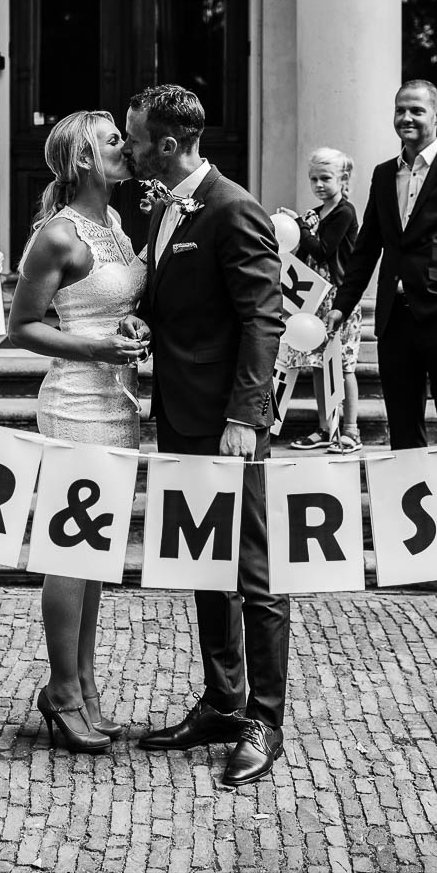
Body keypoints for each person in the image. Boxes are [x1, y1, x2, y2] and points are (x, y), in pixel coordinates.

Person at [117, 84, 287, 788]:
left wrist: (247, 417)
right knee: (203, 564)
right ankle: (222, 700)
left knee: (255, 573)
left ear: (166, 143)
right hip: (181, 418)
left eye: (133, 137)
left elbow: (263, 317)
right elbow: (185, 306)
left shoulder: (232, 208)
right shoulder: (165, 205)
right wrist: (144, 326)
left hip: (227, 426)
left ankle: (265, 719)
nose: (125, 148)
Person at [6, 111, 146, 754]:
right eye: (114, 139)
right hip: (75, 405)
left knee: (97, 559)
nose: (128, 146)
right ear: (85, 160)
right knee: (71, 553)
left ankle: (85, 685)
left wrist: (132, 334)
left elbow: (113, 309)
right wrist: (96, 351)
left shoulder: (114, 225)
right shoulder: (57, 235)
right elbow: (22, 327)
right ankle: (62, 692)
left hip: (119, 405)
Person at [328, 81, 437, 455]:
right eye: (400, 109)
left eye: (416, 111)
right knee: (402, 424)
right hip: (394, 320)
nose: (407, 117)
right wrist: (343, 303)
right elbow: (366, 247)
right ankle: (409, 510)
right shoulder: (384, 175)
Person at [278, 147, 362, 454]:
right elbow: (302, 252)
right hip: (314, 300)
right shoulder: (315, 214)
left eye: (325, 178)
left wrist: (300, 227)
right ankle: (326, 428)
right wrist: (298, 228)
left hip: (340, 300)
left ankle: (350, 430)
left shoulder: (344, 212)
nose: (319, 185)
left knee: (343, 366)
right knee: (316, 364)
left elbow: (325, 250)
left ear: (342, 178)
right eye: (313, 179)